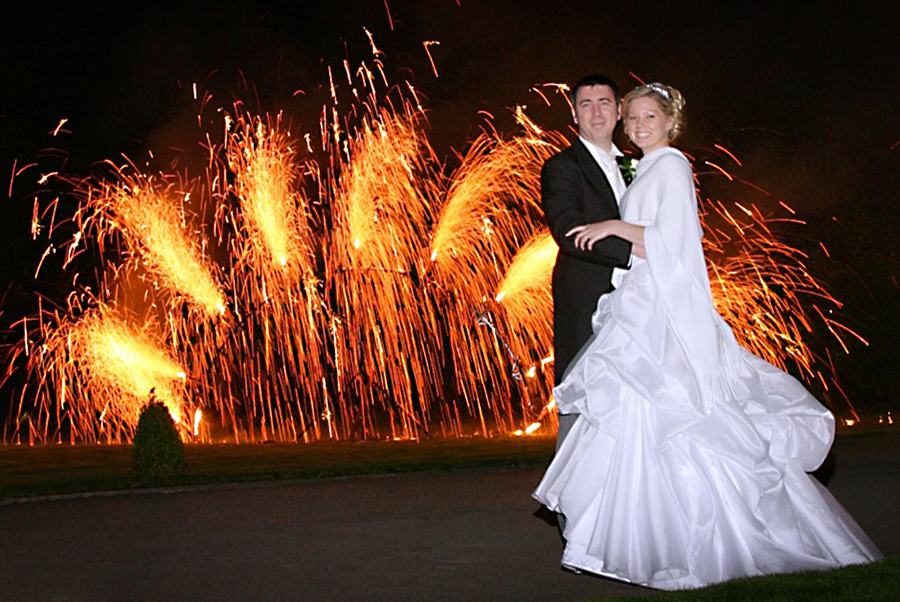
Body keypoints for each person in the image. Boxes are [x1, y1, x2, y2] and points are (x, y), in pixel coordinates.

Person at [533, 83, 882, 590]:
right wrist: (618, 228)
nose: (635, 124)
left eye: (645, 116)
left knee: (680, 419)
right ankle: (643, 535)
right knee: (639, 423)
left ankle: (705, 537)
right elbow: (585, 228)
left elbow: (673, 242)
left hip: (656, 304)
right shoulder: (644, 165)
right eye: (632, 117)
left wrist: (612, 225)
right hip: (633, 302)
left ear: (670, 122)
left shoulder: (670, 165)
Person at [541, 74, 633, 450]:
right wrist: (637, 252)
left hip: (638, 300)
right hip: (587, 299)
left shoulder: (635, 164)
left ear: (619, 110)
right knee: (582, 394)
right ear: (574, 114)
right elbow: (569, 231)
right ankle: (572, 502)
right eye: (586, 104)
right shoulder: (562, 166)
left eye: (604, 103)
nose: (596, 113)